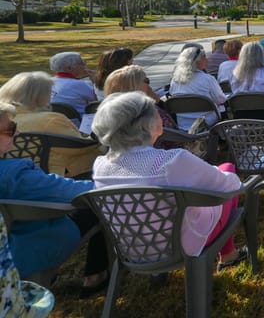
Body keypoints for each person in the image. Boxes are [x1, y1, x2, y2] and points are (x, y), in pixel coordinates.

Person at [91, 92, 246, 270]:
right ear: (145, 124)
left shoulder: (100, 166)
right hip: (181, 245)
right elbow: (229, 186)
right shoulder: (171, 162)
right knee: (227, 169)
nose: (161, 116)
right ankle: (228, 255)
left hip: (132, 248)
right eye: (156, 112)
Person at [0, 102, 109, 297]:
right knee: (95, 205)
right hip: (25, 248)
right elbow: (80, 190)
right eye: (10, 129)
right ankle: (96, 275)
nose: (17, 134)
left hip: (12, 241)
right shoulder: (15, 175)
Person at [0, 72, 99, 177]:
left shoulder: (4, 119)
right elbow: (82, 147)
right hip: (59, 173)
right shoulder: (51, 119)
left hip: (11, 174)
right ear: (39, 97)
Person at [168, 47, 227, 131]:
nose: (207, 60)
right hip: (207, 123)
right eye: (204, 57)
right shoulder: (207, 79)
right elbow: (221, 99)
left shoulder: (175, 80)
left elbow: (173, 96)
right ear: (196, 61)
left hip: (182, 124)